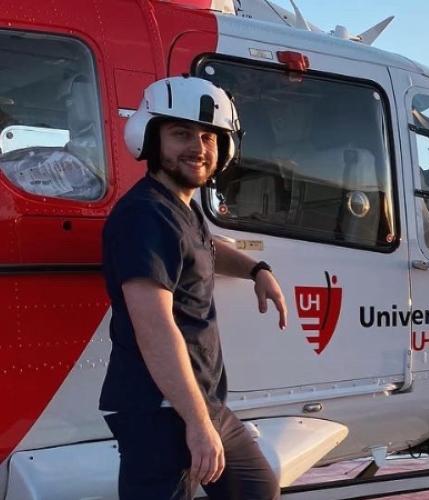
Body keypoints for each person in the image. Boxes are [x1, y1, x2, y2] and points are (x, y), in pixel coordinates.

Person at [100, 76, 287, 499]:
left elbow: (203, 247)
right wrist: (197, 424)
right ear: (150, 139)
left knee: (255, 490)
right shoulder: (144, 216)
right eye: (181, 134)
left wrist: (257, 268)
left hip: (198, 402)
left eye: (208, 137)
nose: (198, 147)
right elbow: (155, 328)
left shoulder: (178, 209)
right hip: (159, 408)